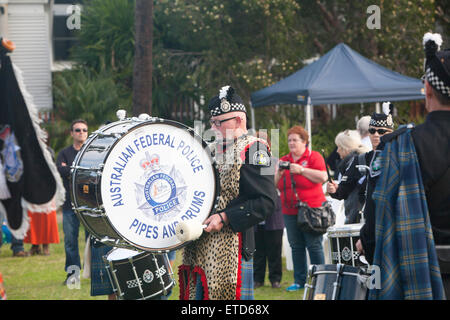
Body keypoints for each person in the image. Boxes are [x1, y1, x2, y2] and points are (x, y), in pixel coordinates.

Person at [369, 33, 449, 300]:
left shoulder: (401, 145)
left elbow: (380, 217)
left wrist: (369, 249)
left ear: (427, 89)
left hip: (420, 274)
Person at [179, 85, 276, 300]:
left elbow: (267, 202)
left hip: (233, 250)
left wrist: (225, 217)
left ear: (239, 120)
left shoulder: (257, 149)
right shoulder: (210, 150)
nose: (213, 128)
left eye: (219, 123)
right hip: (200, 248)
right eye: (211, 123)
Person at [327, 106, 394, 264]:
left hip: (391, 225)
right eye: (372, 131)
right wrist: (333, 191)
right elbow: (342, 192)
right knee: (365, 277)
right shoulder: (360, 160)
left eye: (381, 131)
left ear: (391, 133)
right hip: (362, 225)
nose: (376, 135)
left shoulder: (400, 159)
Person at [275, 125, 328, 292]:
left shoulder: (314, 156)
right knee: (296, 245)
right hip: (289, 209)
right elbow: (274, 185)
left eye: (295, 140)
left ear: (304, 142)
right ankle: (299, 280)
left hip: (311, 209)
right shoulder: (283, 159)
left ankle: (321, 280)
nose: (291, 143)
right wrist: (279, 174)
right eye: (289, 140)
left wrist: (302, 170)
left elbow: (323, 177)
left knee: (314, 245)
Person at [56, 119, 88, 285]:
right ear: (71, 133)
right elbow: (60, 170)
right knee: (70, 242)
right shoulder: (63, 153)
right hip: (70, 205)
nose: (81, 132)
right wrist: (81, 171)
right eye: (77, 130)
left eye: (84, 130)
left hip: (90, 206)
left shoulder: (91, 153)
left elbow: (67, 170)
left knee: (93, 242)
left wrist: (71, 170)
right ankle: (73, 276)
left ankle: (95, 275)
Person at [253, 131, 284, 289]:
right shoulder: (250, 162)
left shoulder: (274, 161)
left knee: (274, 246)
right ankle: (257, 279)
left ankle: (275, 279)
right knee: (257, 247)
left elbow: (274, 185)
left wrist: (278, 173)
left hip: (272, 206)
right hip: (256, 206)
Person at [326, 130, 370, 224]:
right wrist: (336, 189)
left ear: (346, 148)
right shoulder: (364, 158)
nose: (337, 151)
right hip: (365, 215)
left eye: (339, 147)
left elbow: (344, 190)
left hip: (357, 217)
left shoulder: (354, 162)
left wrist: (336, 190)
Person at [25, 146, 60, 256]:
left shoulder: (49, 151)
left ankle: (46, 246)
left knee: (47, 220)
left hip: (47, 192)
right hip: (33, 190)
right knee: (34, 219)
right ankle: (35, 246)